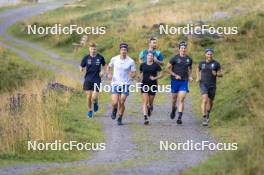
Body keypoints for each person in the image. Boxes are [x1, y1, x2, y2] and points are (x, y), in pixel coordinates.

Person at [107, 43, 136, 125]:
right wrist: (109, 74)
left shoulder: (131, 61)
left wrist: (132, 75)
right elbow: (108, 67)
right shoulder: (114, 59)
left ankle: (120, 117)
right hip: (115, 83)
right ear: (120, 50)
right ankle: (114, 109)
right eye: (122, 50)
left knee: (122, 101)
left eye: (125, 50)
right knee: (115, 102)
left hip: (125, 83)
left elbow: (134, 72)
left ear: (127, 51)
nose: (123, 51)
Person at [166, 41, 193, 124]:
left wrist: (190, 76)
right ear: (179, 49)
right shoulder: (174, 58)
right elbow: (167, 69)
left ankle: (179, 117)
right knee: (174, 99)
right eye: (182, 48)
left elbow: (189, 69)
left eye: (184, 48)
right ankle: (173, 108)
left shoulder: (189, 59)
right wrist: (175, 75)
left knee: (181, 99)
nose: (183, 49)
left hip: (184, 81)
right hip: (175, 81)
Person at [196, 48, 223, 126]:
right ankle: (204, 118)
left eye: (211, 54)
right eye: (208, 54)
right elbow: (197, 69)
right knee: (204, 99)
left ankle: (207, 114)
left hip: (212, 85)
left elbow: (221, 74)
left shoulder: (216, 64)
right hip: (203, 84)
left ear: (212, 55)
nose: (209, 55)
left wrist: (216, 74)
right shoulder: (202, 63)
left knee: (210, 102)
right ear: (205, 54)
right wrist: (198, 77)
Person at [80, 42, 106, 118]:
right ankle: (89, 111)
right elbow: (81, 65)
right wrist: (81, 68)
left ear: (96, 49)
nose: (93, 50)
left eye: (94, 48)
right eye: (91, 48)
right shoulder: (86, 58)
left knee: (93, 97)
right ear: (89, 49)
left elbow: (105, 65)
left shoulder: (100, 57)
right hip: (88, 79)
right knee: (88, 97)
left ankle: (95, 102)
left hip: (97, 79)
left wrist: (102, 71)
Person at [139, 51, 163, 125]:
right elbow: (141, 73)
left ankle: (150, 107)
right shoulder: (142, 65)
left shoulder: (156, 65)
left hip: (153, 85)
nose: (150, 57)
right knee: (145, 101)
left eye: (151, 56)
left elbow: (162, 73)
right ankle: (145, 117)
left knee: (150, 102)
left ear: (153, 57)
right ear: (146, 57)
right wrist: (139, 78)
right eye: (149, 56)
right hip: (144, 84)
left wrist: (155, 77)